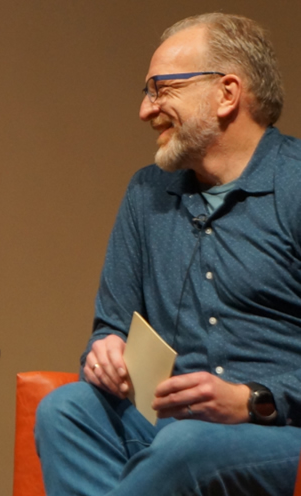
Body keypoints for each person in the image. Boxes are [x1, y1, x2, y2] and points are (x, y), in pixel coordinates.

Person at [34, 13, 301, 496]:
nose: (145, 110)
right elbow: (111, 325)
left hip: (278, 430)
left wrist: (252, 400)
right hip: (167, 426)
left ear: (226, 94)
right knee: (64, 410)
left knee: (187, 445)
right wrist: (105, 352)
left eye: (162, 89)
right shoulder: (146, 193)